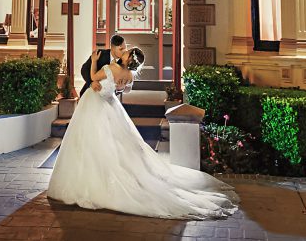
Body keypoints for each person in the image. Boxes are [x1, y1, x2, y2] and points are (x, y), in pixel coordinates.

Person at [47, 46, 239, 219]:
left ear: (129, 57)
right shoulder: (128, 76)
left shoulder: (112, 68)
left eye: (128, 51)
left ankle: (91, 180)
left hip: (95, 103)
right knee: (115, 143)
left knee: (91, 141)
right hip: (111, 105)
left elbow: (93, 78)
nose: (125, 51)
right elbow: (124, 89)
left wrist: (95, 61)